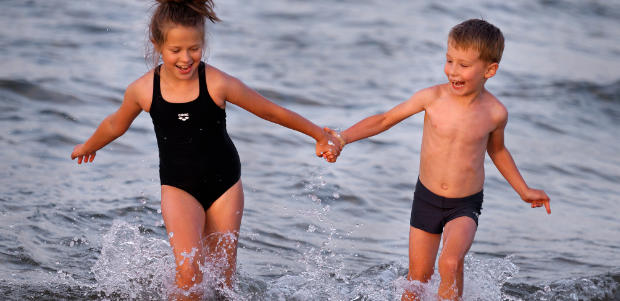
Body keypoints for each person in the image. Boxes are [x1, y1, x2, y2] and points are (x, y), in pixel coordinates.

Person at [70, 0, 340, 299]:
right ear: (157, 44)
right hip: (178, 188)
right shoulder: (143, 90)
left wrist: (318, 133)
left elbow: (270, 111)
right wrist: (89, 145)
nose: (186, 58)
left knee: (223, 283)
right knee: (189, 276)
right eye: (176, 50)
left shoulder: (217, 82)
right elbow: (114, 124)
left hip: (226, 185)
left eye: (194, 49)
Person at [325, 19, 551, 300]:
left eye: (464, 65)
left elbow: (498, 151)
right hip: (426, 199)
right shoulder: (432, 97)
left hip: (464, 205)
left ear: (490, 70)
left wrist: (524, 190)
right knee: (416, 283)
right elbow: (385, 119)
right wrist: (343, 138)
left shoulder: (495, 113)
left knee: (450, 262)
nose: (453, 71)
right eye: (449, 61)